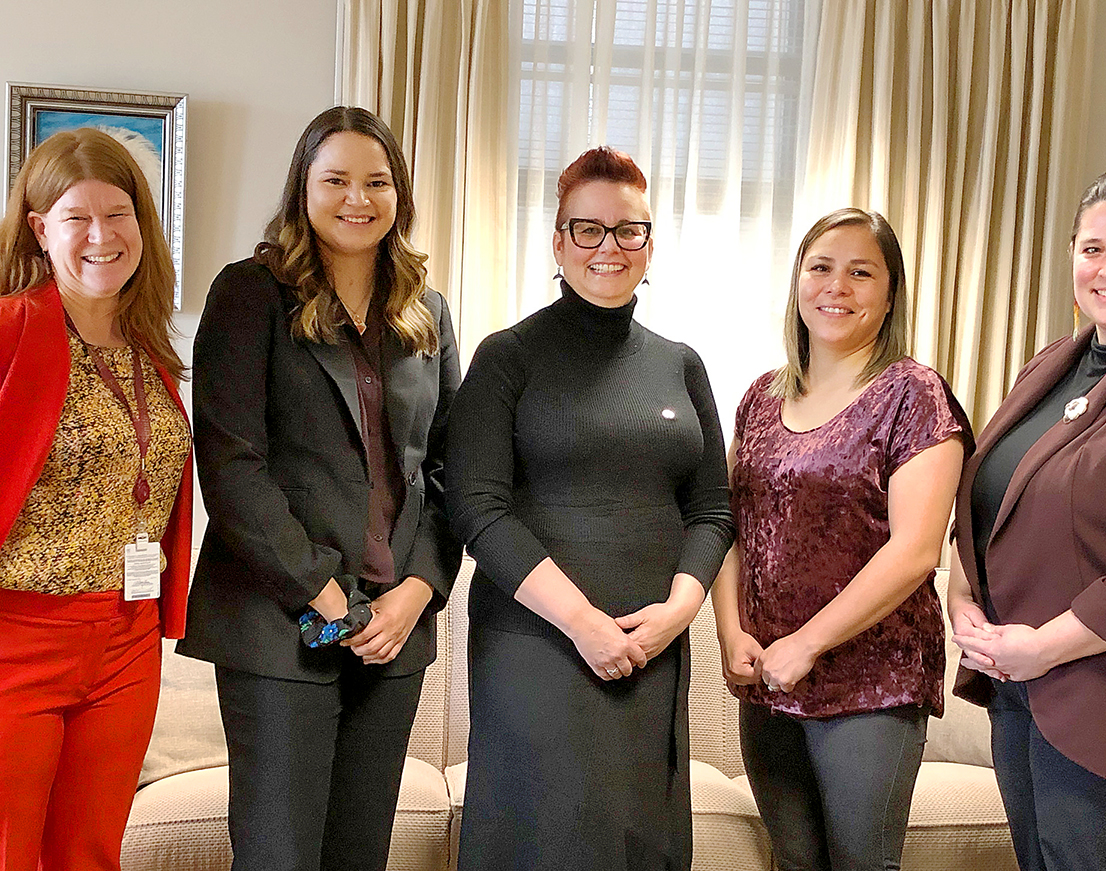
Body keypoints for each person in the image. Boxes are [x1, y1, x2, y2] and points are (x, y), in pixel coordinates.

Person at [175, 107, 461, 871]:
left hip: (390, 634)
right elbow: (233, 467)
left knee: (357, 855)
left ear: (400, 194)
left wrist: (416, 593)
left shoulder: (425, 314)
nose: (356, 198)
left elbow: (445, 472)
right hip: (281, 626)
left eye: (376, 181)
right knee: (281, 855)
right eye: (335, 179)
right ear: (303, 187)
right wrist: (326, 597)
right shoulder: (249, 295)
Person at [445, 146, 734, 871]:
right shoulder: (507, 356)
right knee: (548, 840)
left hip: (650, 647)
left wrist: (677, 612)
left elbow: (712, 506)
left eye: (628, 230)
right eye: (588, 229)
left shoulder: (680, 363)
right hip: (537, 644)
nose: (609, 247)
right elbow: (477, 508)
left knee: (640, 842)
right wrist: (582, 622)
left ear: (650, 244)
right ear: (557, 241)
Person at [949, 168, 1106, 871]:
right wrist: (961, 594)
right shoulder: (1051, 365)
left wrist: (1047, 647)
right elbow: (990, 495)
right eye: (1092, 249)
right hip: (1021, 690)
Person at [711, 208, 971, 871]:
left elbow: (915, 550)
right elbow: (725, 521)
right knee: (796, 863)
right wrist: (730, 632)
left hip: (872, 683)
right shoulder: (759, 399)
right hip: (767, 675)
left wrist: (807, 642)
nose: (836, 286)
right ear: (797, 281)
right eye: (820, 267)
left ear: (890, 294)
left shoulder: (913, 394)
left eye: (861, 272)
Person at [0, 128, 193, 871]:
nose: (102, 236)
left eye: (119, 214)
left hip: (125, 638)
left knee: (90, 853)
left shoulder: (151, 350)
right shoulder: (14, 327)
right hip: (19, 633)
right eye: (78, 217)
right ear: (41, 228)